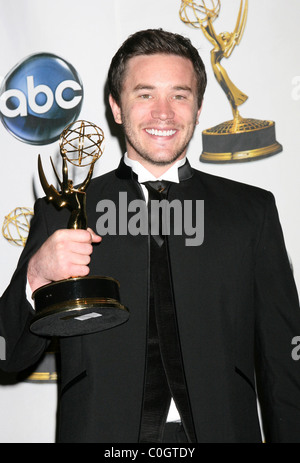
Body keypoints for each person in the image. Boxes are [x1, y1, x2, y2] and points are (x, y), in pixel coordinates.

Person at [0, 28, 300, 443]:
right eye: (144, 94)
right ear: (116, 108)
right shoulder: (62, 212)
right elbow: (7, 355)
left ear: (197, 108)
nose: (164, 112)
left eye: (180, 95)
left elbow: (285, 364)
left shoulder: (252, 211)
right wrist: (36, 277)